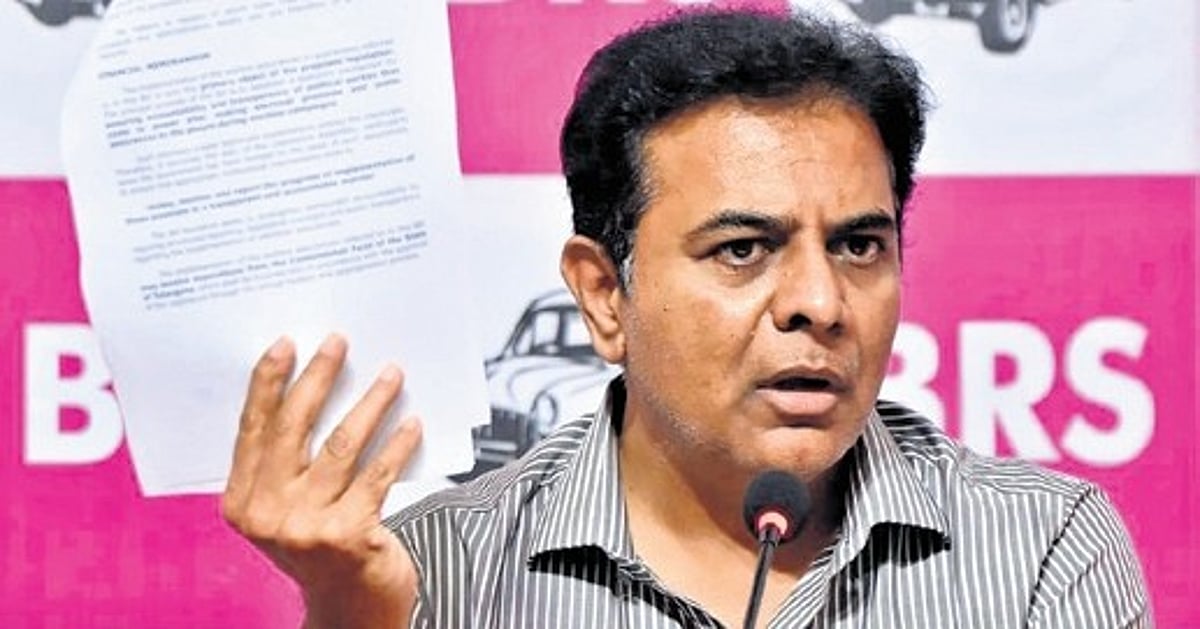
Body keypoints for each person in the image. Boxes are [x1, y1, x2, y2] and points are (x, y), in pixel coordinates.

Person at [220, 8, 1151, 628]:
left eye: (860, 245)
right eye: (743, 249)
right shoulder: (437, 571)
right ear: (604, 296)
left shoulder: (1038, 549)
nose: (821, 303)